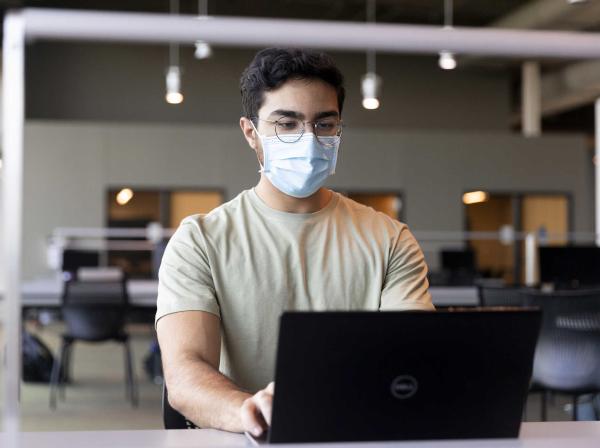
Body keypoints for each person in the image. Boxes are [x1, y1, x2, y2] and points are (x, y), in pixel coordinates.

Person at [156, 48, 434, 436]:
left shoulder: (390, 239)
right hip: (247, 439)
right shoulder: (200, 241)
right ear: (251, 133)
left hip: (356, 436)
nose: (307, 139)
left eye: (324, 124)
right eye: (286, 124)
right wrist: (250, 411)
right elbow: (185, 375)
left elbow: (410, 362)